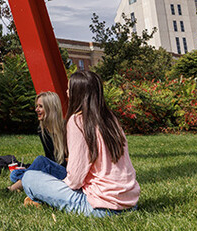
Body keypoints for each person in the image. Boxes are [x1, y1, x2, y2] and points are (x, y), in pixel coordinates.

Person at [21, 71, 139, 217]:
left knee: (29, 177)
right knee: (43, 165)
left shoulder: (77, 121)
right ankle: (38, 198)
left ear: (78, 94)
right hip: (130, 203)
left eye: (69, 89)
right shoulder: (111, 120)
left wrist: (53, 187)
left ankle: (37, 198)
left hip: (99, 207)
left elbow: (75, 179)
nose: (67, 92)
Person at [8, 91, 67, 192]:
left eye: (40, 106)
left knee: (40, 161)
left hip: (67, 173)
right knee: (14, 174)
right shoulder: (42, 130)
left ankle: (15, 187)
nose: (36, 110)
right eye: (36, 106)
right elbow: (49, 157)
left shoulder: (66, 128)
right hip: (52, 169)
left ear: (50, 108)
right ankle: (25, 178)